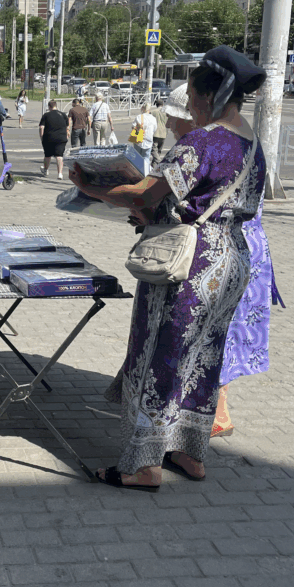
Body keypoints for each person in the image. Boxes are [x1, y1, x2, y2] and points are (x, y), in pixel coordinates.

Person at [70, 46, 267, 491]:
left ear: (210, 97)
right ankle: (189, 453)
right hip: (233, 259)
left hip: (190, 265)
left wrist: (92, 187)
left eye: (193, 99)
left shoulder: (202, 141)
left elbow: (146, 194)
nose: (190, 109)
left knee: (160, 354)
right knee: (204, 356)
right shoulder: (252, 144)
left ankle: (143, 466)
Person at [161, 84, 284, 438]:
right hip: (244, 251)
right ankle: (209, 410)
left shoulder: (206, 146)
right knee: (219, 332)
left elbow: (166, 199)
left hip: (221, 253)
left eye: (175, 117)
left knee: (216, 332)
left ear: (196, 113)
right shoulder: (240, 141)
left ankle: (213, 413)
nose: (169, 125)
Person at [39, 100, 69, 179]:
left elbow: (41, 127)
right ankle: (60, 174)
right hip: (61, 138)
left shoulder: (46, 115)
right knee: (59, 156)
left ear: (49, 107)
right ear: (56, 106)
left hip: (48, 138)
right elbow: (67, 127)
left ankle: (46, 170)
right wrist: (67, 135)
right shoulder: (63, 115)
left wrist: (42, 137)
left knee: (47, 155)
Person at [129, 103, 158, 174]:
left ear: (142, 108)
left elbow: (133, 126)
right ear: (149, 109)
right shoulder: (153, 118)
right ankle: (145, 173)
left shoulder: (139, 117)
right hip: (148, 140)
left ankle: (137, 172)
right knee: (146, 157)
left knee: (137, 157)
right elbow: (155, 129)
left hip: (138, 140)